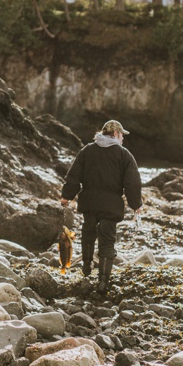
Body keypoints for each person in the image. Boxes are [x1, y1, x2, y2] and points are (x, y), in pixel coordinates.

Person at [60, 120, 143, 292]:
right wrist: (136, 205)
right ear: (115, 134)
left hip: (89, 203)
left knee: (88, 232)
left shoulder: (87, 151)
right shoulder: (124, 155)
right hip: (111, 206)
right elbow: (132, 183)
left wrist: (66, 196)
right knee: (107, 241)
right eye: (122, 136)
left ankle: (87, 267)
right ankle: (103, 281)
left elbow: (74, 176)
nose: (123, 139)